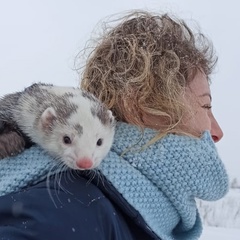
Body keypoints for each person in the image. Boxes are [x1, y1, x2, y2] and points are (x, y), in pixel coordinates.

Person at [0, 10, 229, 240]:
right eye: (206, 106)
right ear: (140, 106)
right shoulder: (73, 212)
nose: (217, 132)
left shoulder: (128, 214)